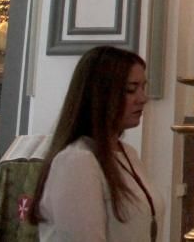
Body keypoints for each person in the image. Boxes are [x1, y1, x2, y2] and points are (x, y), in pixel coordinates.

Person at [29, 45, 161, 241]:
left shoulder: (128, 153)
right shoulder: (77, 162)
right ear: (100, 95)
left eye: (143, 87)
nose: (142, 98)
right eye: (130, 90)